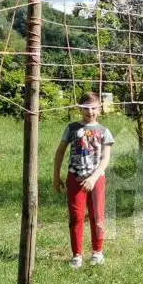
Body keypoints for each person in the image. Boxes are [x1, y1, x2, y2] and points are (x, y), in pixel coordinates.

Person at [54, 93, 115, 268]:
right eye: (86, 108)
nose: (90, 112)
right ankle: (77, 255)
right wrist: (56, 177)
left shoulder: (104, 132)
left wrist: (94, 178)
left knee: (97, 217)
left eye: (94, 108)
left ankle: (97, 252)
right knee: (76, 217)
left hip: (96, 180)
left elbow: (105, 159)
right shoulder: (72, 128)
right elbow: (59, 153)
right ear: (80, 108)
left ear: (100, 108)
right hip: (75, 178)